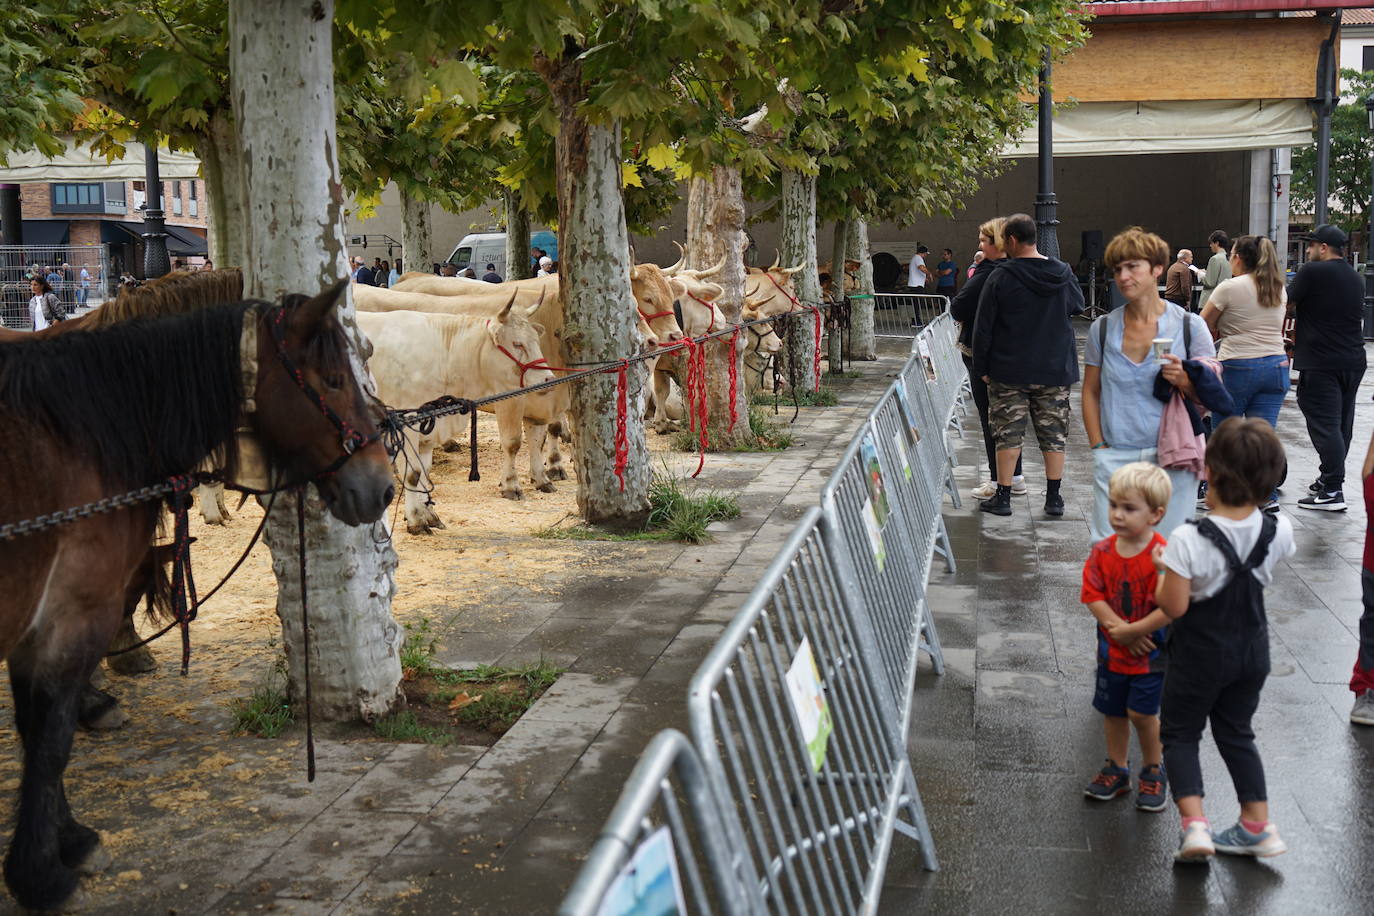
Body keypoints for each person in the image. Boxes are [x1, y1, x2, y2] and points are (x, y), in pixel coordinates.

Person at [1153, 418, 1294, 862]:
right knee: (1237, 732)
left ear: (1209, 471)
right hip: (1252, 652)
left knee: (1179, 733)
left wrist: (1164, 569)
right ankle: (1257, 824)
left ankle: (1195, 825)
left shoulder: (1187, 538)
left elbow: (1173, 606)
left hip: (1198, 655)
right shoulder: (1280, 530)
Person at [1083, 227, 1215, 542]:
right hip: (1116, 455)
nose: (1123, 276)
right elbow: (1090, 391)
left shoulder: (1189, 326)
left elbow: (1212, 393)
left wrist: (1184, 379)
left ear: (1157, 269)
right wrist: (1099, 447)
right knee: (1109, 551)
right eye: (1117, 269)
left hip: (1173, 455)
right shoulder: (1102, 329)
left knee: (1170, 553)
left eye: (1132, 266)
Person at [971, 213, 1082, 518]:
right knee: (1054, 435)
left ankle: (1004, 497)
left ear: (1012, 240)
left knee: (1007, 434)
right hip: (1054, 369)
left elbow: (984, 328)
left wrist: (982, 368)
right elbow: (1077, 305)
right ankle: (1054, 498)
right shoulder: (1062, 273)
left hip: (1009, 370)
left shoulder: (1001, 276)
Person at [1081, 462, 1173, 812]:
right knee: (1113, 711)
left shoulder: (1162, 555)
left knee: (1143, 713)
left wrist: (1135, 631)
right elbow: (1092, 594)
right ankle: (1117, 767)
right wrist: (1118, 631)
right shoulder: (1103, 551)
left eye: (1129, 508)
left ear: (1156, 514)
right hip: (1112, 652)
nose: (1118, 515)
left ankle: (1153, 767)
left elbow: (1171, 606)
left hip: (1150, 654)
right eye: (1114, 505)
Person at [1200, 236, 1288, 510]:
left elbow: (1203, 322)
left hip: (1238, 363)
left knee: (1224, 434)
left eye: (1232, 256)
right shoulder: (1277, 287)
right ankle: (1266, 495)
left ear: (1238, 258)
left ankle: (1219, 492)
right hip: (1276, 364)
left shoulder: (1229, 287)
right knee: (1264, 435)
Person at [1288, 224, 1367, 512]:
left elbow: (1287, 302)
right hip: (1353, 361)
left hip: (1321, 361)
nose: (1308, 251)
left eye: (1310, 246)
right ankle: (1327, 480)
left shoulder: (1312, 272)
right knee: (1342, 423)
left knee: (1324, 422)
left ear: (1323, 248)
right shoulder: (1355, 278)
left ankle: (1333, 488)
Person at [950, 217, 1024, 500]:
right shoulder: (1019, 270)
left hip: (984, 354)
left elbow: (959, 306)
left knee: (991, 419)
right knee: (1010, 419)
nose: (979, 246)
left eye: (984, 241)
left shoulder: (988, 272)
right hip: (1013, 353)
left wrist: (976, 267)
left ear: (1000, 244)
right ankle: (1014, 477)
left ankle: (997, 480)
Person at [1197, 230, 1232, 310]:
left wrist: (1200, 274)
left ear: (1217, 243)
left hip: (1210, 300)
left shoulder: (1215, 259)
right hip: (1223, 300)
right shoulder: (1228, 258)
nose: (1210, 245)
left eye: (1211, 243)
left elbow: (1210, 282)